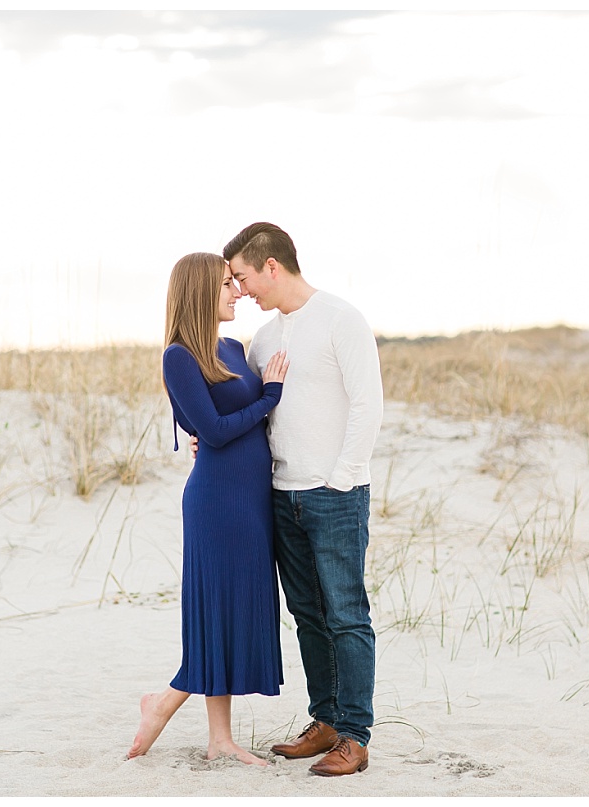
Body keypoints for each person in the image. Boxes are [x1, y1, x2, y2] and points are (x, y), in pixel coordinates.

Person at [225, 222, 384, 776]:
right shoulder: (265, 338)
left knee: (345, 614)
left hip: (335, 495)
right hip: (281, 494)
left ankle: (355, 736)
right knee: (307, 614)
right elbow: (254, 409)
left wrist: (341, 478)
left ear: (272, 265)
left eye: (244, 277)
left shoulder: (342, 318)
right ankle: (326, 722)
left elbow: (368, 404)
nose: (241, 290)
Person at [127, 252, 290, 767]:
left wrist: (262, 404)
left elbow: (225, 427)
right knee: (215, 611)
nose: (237, 291)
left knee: (236, 610)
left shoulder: (235, 347)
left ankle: (220, 738)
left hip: (252, 500)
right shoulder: (178, 356)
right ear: (200, 290)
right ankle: (164, 701)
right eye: (226, 284)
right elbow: (215, 433)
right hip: (216, 502)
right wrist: (270, 396)